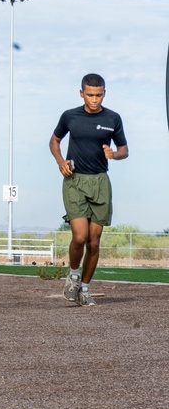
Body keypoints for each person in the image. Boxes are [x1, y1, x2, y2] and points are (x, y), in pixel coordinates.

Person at [50, 73, 128, 307]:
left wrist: (114, 154)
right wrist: (60, 161)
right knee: (80, 236)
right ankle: (73, 276)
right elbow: (54, 140)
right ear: (81, 93)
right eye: (90, 95)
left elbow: (124, 149)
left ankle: (84, 289)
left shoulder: (113, 118)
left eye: (99, 95)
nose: (95, 99)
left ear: (105, 93)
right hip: (74, 181)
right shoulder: (69, 116)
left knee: (94, 242)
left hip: (100, 183)